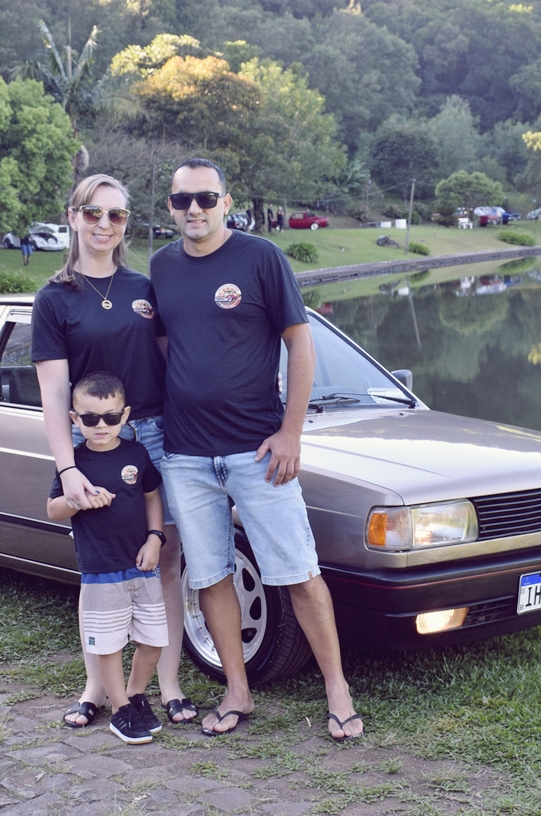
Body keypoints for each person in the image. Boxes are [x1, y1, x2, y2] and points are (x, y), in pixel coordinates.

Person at [149, 157, 364, 742]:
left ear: (226, 201)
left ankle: (337, 691)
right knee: (210, 576)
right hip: (186, 455)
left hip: (258, 451)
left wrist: (291, 432)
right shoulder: (161, 266)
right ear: (170, 206)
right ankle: (237, 691)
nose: (194, 209)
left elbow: (300, 344)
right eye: (182, 199)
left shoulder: (262, 258)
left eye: (206, 197)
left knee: (299, 572)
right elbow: (166, 344)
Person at [33, 172, 198, 730]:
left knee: (164, 561)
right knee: (100, 568)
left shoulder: (143, 288)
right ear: (73, 217)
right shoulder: (54, 299)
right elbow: (54, 394)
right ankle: (97, 688)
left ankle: (167, 685)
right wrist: (68, 467)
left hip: (155, 435)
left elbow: (177, 361)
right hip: (94, 440)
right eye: (93, 213)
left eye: (117, 214)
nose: (104, 224)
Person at [44, 371, 167, 745]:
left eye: (111, 417)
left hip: (142, 566)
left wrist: (155, 538)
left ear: (124, 415)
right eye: (90, 418)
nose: (101, 426)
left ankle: (135, 695)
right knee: (108, 645)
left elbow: (152, 497)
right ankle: (119, 710)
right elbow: (53, 509)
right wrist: (79, 498)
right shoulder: (74, 464)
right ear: (74, 419)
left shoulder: (136, 454)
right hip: (101, 570)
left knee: (154, 640)